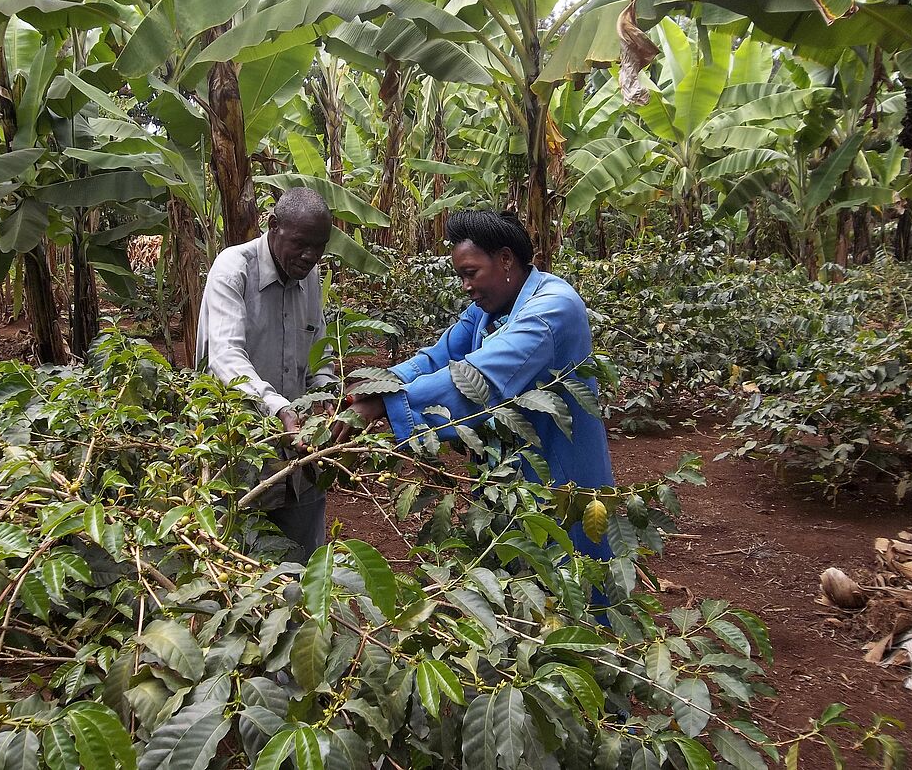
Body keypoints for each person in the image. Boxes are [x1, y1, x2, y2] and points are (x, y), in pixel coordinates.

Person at [340, 210, 615, 567]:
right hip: (508, 472)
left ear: (505, 259)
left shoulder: (552, 308)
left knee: (566, 568)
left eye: (471, 273)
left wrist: (387, 404)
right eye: (461, 276)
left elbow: (480, 377)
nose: (465, 286)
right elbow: (439, 357)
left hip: (558, 470)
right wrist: (377, 383)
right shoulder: (488, 309)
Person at [196, 188, 337, 560]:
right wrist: (279, 409)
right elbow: (225, 358)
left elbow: (319, 350)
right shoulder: (233, 269)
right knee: (238, 562)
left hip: (301, 458)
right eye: (301, 244)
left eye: (319, 247)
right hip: (241, 452)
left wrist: (327, 395)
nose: (311, 256)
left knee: (305, 564)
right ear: (273, 226)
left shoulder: (310, 276)